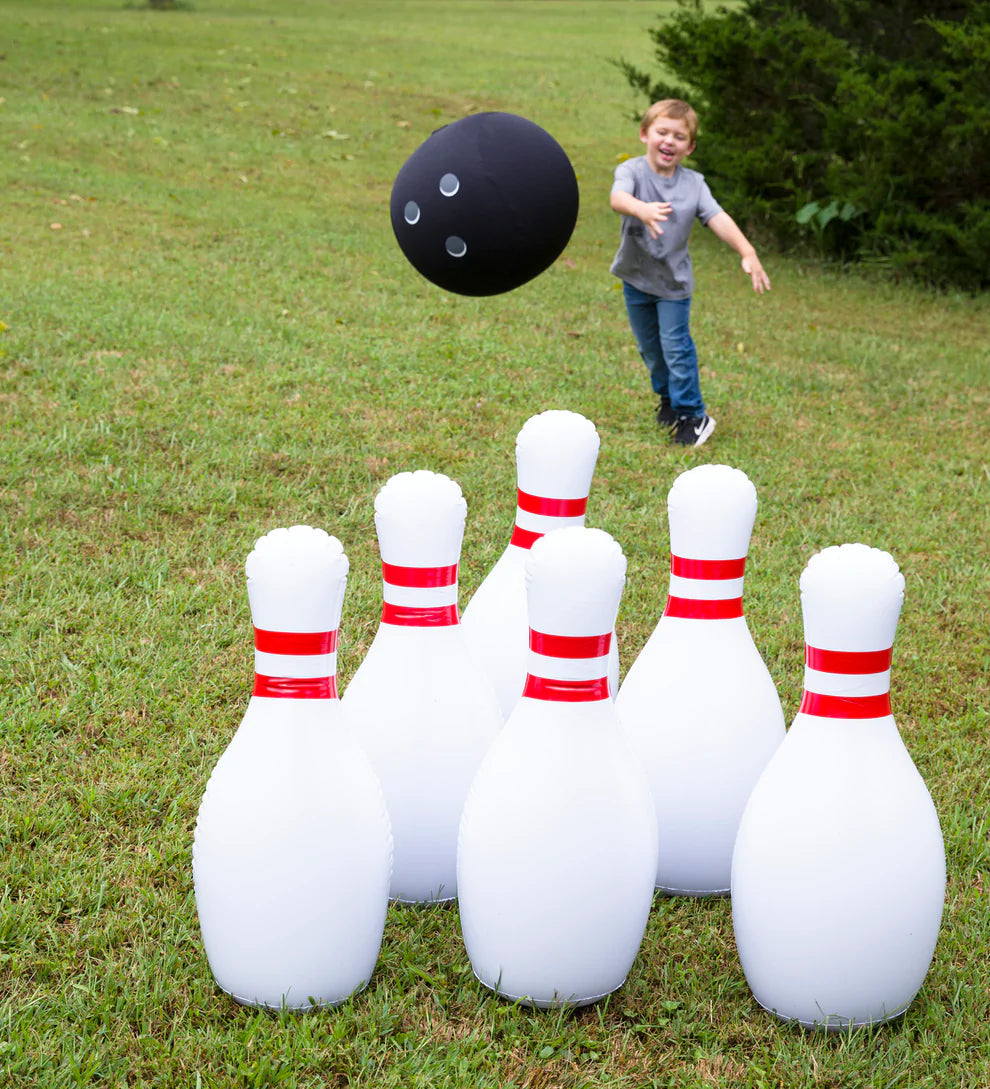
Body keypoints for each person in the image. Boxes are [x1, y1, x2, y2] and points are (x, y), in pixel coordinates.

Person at [609, 99, 770, 447]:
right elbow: (618, 198)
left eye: (679, 136)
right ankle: (668, 400)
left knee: (676, 347)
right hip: (635, 279)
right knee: (651, 349)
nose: (669, 141)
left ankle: (693, 415)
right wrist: (642, 209)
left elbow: (717, 217)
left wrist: (747, 251)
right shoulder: (632, 172)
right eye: (662, 132)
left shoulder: (694, 184)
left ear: (690, 147)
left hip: (673, 286)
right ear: (645, 134)